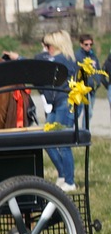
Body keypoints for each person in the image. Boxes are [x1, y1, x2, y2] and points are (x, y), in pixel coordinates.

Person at [35, 30, 78, 191]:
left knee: (62, 142)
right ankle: (63, 174)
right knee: (47, 139)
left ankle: (69, 180)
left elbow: (43, 63)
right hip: (56, 103)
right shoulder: (57, 58)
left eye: (49, 45)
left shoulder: (62, 59)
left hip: (65, 103)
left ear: (58, 44)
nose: (47, 48)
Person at [75, 34, 101, 126]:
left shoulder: (93, 55)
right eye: (86, 44)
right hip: (84, 88)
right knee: (87, 112)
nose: (89, 46)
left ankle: (85, 130)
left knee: (88, 114)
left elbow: (97, 68)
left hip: (93, 88)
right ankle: (81, 130)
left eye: (90, 44)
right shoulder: (78, 56)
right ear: (81, 44)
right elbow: (76, 72)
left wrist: (98, 80)